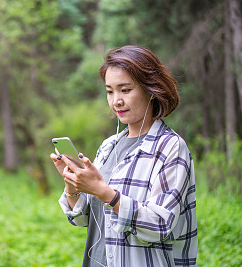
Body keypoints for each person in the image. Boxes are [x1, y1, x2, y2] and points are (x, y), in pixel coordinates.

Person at [50, 45, 197, 267]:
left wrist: (106, 193)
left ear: (150, 89)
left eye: (125, 90)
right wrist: (73, 185)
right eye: (110, 91)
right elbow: (86, 220)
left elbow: (160, 224)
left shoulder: (170, 147)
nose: (116, 100)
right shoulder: (109, 146)